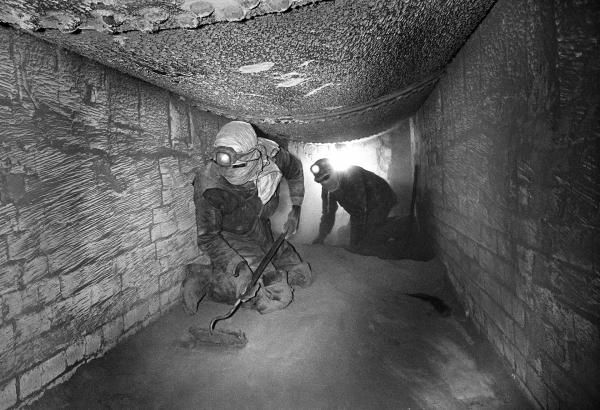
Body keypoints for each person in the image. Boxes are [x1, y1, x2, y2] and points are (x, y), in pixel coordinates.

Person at [183, 121, 312, 315]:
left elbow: (295, 170)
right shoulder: (208, 183)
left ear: (255, 155)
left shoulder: (272, 158)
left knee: (302, 275)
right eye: (224, 167)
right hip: (231, 236)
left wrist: (296, 208)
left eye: (237, 167)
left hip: (258, 225)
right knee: (277, 295)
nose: (228, 173)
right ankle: (205, 279)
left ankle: (224, 273)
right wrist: (238, 267)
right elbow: (208, 237)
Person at [310, 158, 398, 256]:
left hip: (381, 199)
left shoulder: (352, 175)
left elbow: (362, 208)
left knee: (369, 238)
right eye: (319, 181)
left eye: (326, 177)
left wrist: (360, 240)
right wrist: (321, 236)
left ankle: (399, 224)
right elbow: (328, 214)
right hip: (359, 210)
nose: (324, 183)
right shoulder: (326, 191)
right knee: (355, 243)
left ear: (334, 171)